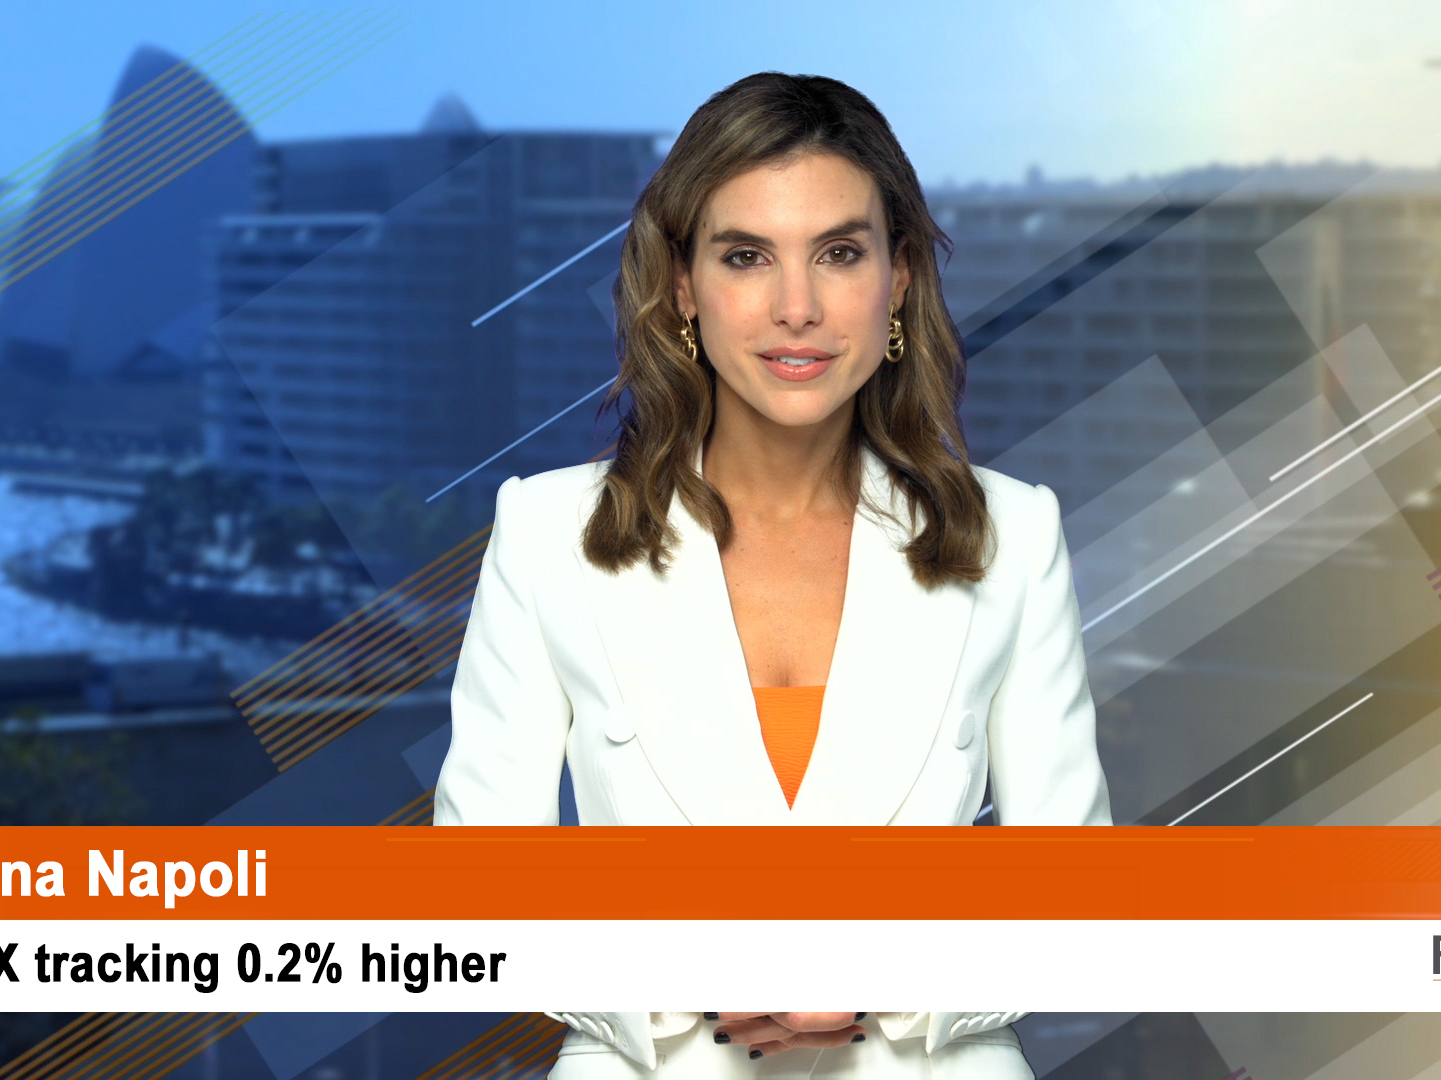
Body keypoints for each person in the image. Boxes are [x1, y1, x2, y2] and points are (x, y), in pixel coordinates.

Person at [434, 71, 1112, 1078]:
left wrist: (890, 978)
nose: (797, 308)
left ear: (899, 278)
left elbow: (1078, 897)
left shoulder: (1013, 532)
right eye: (746, 256)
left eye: (839, 253)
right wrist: (679, 976)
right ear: (681, 286)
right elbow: (475, 893)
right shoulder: (545, 533)